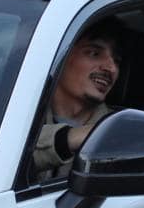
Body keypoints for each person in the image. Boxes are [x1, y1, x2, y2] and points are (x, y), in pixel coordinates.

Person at [32, 17, 125, 181]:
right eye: (94, 53)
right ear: (59, 58)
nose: (111, 68)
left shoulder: (118, 131)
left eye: (116, 61)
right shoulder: (12, 111)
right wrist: (69, 138)